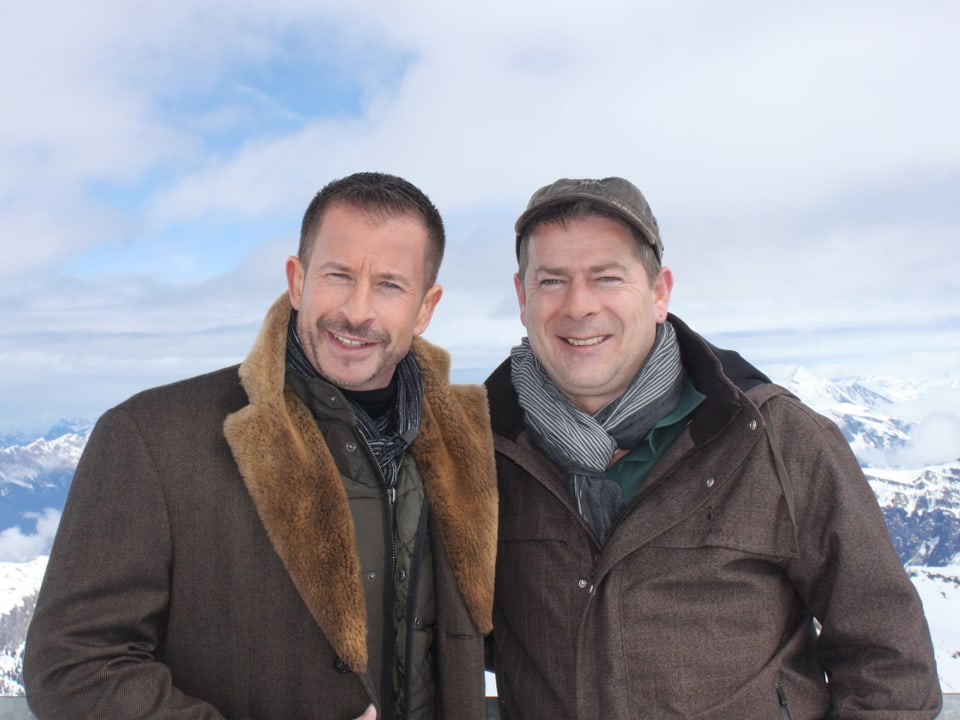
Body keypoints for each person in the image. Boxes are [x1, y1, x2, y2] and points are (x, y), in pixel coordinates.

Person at [24, 172, 498, 720]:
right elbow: (71, 664)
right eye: (338, 275)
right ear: (297, 282)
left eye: (390, 285)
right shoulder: (150, 437)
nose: (358, 310)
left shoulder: (468, 439)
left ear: (425, 307)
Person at [484, 177, 942, 718]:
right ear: (522, 297)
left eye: (607, 277)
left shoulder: (776, 436)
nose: (578, 305)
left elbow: (889, 657)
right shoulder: (477, 451)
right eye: (552, 280)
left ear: (659, 293)